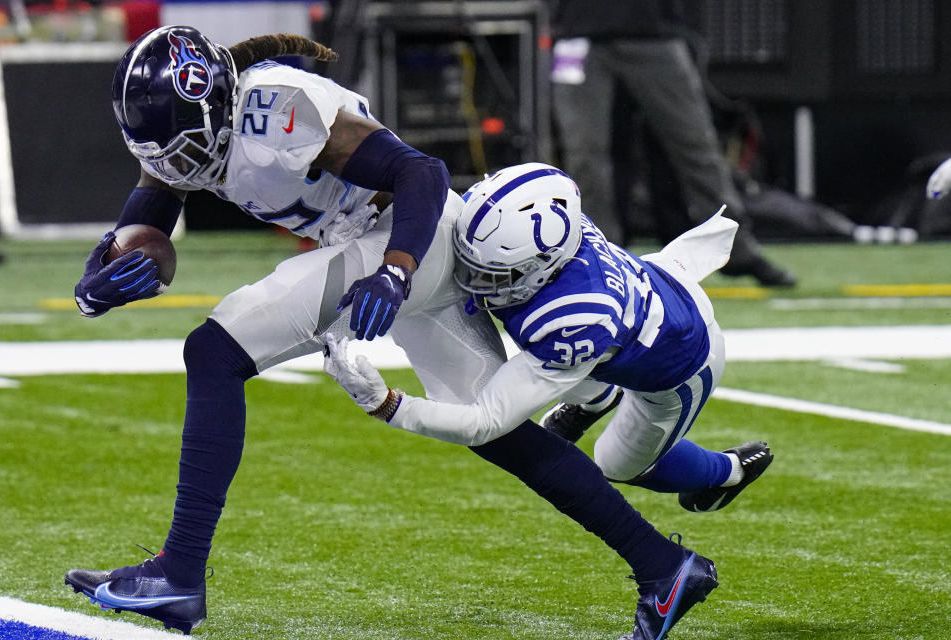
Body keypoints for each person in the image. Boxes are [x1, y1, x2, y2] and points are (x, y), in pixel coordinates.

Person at [63, 27, 750, 639]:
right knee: (495, 431)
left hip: (406, 238)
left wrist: (396, 270)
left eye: (184, 148)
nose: (175, 164)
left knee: (214, 350)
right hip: (388, 247)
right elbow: (152, 219)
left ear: (217, 105)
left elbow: (420, 173)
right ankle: (665, 567)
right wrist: (109, 270)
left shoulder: (279, 110)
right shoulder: (196, 120)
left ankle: (179, 573)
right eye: (160, 150)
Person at [324, 163, 774, 639]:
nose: (475, 278)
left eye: (492, 272)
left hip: (682, 363)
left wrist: (387, 403)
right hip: (644, 296)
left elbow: (483, 423)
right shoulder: (546, 234)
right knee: (562, 363)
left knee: (614, 463)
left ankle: (725, 473)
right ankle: (593, 397)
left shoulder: (574, 319)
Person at [550, 0, 797, 287]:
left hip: (653, 29)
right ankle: (598, 264)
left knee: (696, 147)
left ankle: (736, 248)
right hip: (578, 30)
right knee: (584, 157)